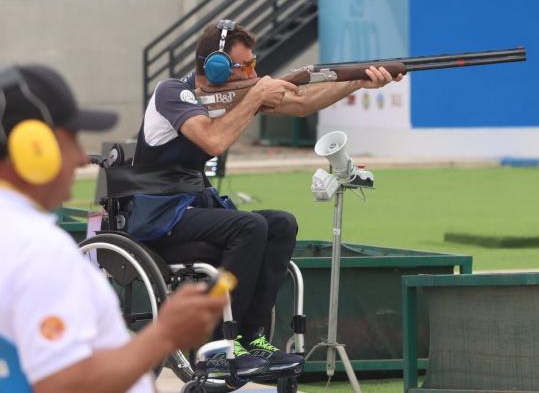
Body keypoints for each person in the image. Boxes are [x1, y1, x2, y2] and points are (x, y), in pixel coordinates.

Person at [131, 20, 401, 376]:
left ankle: (250, 335)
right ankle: (218, 344)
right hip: (157, 214)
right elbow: (213, 142)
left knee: (280, 224)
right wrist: (257, 95)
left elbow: (302, 103)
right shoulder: (172, 92)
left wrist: (358, 80)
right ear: (215, 66)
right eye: (245, 67)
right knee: (250, 226)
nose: (255, 73)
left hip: (193, 207)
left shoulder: (238, 94)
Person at [0, 64, 228, 393]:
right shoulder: (37, 248)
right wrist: (165, 333)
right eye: (71, 140)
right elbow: (65, 385)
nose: (81, 158)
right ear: (32, 146)